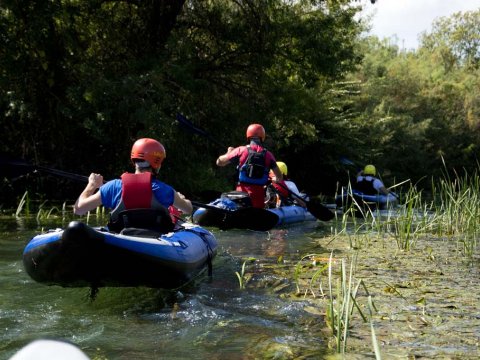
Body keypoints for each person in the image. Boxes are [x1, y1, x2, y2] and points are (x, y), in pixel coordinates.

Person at [74, 138, 192, 232]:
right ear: (157, 163)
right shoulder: (165, 190)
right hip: (155, 240)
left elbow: (79, 209)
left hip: (120, 240)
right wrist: (182, 199)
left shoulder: (113, 186)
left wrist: (92, 185)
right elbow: (188, 209)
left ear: (134, 160)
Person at [216, 123, 283, 208]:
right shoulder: (269, 155)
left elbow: (219, 162)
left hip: (241, 196)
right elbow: (280, 178)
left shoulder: (240, 150)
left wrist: (228, 153)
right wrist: (273, 179)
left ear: (248, 135)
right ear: (262, 137)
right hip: (258, 198)